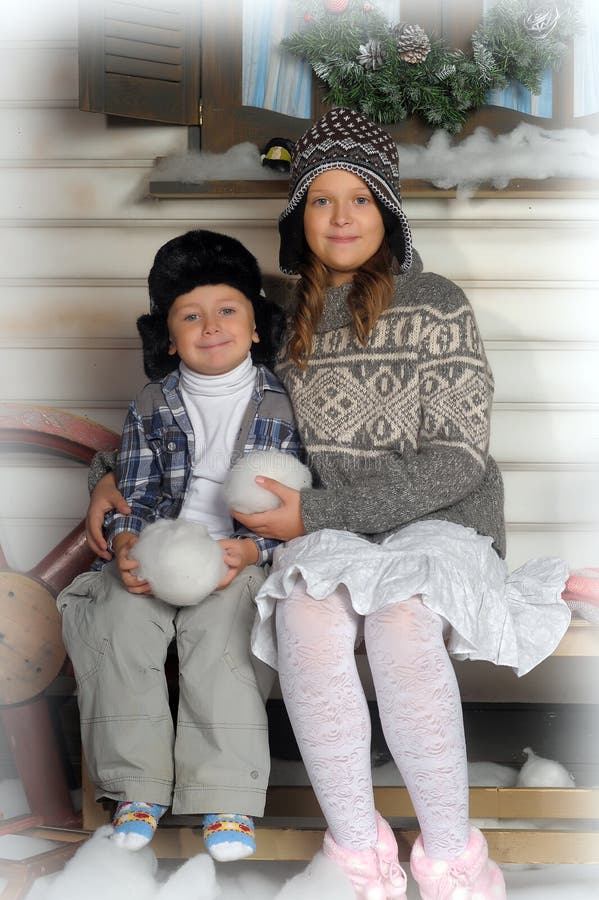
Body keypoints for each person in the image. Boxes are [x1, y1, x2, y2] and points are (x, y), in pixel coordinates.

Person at [86, 111, 570, 899]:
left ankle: (451, 855)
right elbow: (199, 404)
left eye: (361, 198)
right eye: (319, 199)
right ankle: (356, 852)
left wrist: (310, 517)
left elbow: (456, 459)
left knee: (400, 622)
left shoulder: (435, 302)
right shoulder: (278, 320)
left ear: (387, 213)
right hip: (334, 529)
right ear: (296, 217)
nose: (340, 217)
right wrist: (104, 475)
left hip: (439, 521)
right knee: (308, 615)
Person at [57, 230, 302, 862]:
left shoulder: (281, 400)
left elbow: (296, 500)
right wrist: (128, 543)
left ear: (255, 328)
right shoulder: (151, 403)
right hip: (165, 545)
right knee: (117, 620)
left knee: (223, 642)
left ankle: (225, 794)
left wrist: (252, 552)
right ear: (168, 338)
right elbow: (132, 492)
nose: (210, 325)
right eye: (190, 316)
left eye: (228, 310)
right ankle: (136, 787)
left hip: (237, 556)